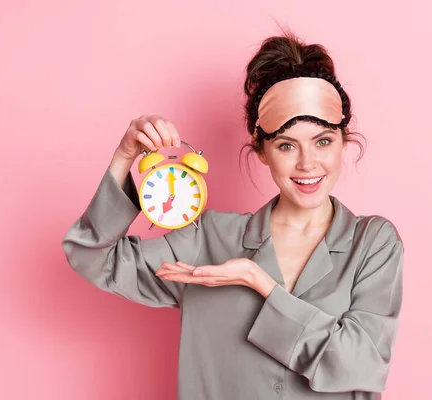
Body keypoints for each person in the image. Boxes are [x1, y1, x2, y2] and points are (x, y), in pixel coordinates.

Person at [62, 31, 404, 400]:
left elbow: (362, 365)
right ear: (262, 151)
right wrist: (125, 156)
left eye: (323, 141)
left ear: (343, 142)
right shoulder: (208, 239)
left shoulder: (373, 242)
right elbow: (92, 256)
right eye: (287, 146)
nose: (308, 164)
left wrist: (260, 284)